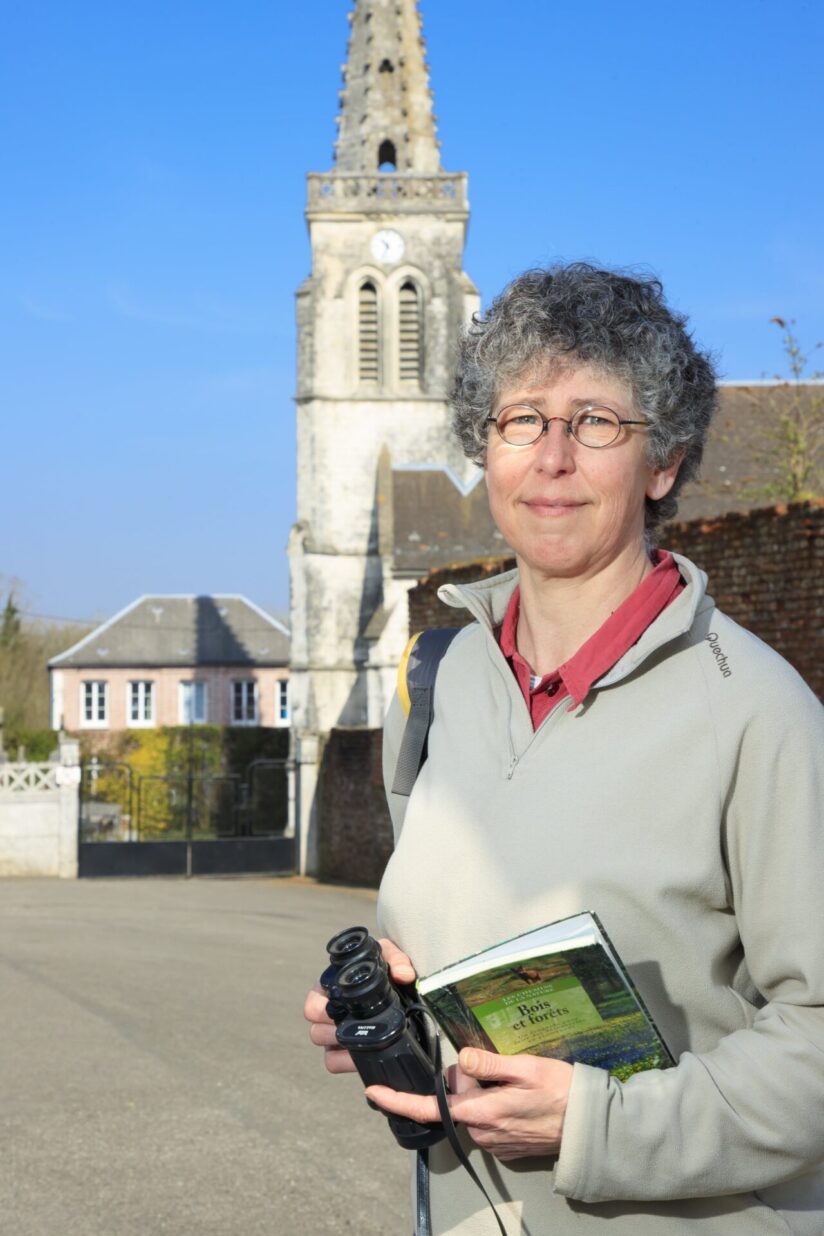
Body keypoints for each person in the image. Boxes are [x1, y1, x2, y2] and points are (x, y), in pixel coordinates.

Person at [305, 263, 824, 1234]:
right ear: (482, 447)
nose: (550, 457)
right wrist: (390, 1017)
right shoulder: (437, 682)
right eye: (518, 421)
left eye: (594, 423)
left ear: (661, 461)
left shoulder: (757, 714)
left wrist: (597, 1126)